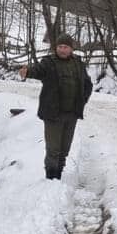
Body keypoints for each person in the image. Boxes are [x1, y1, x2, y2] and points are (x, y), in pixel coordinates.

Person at [18, 35, 93, 180]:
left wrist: (82, 101)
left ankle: (58, 175)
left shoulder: (78, 63)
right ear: (56, 48)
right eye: (60, 47)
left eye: (65, 47)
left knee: (64, 149)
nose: (62, 50)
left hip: (72, 114)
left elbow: (87, 84)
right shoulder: (49, 62)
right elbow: (38, 71)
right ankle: (51, 178)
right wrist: (27, 72)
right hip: (53, 114)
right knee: (53, 150)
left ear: (71, 48)